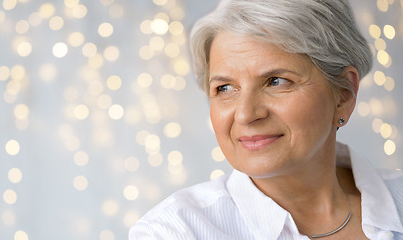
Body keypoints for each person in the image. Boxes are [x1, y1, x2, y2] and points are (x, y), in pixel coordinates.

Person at [129, 0, 403, 239]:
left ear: (343, 95)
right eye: (224, 88)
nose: (247, 114)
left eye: (276, 81)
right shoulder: (173, 232)